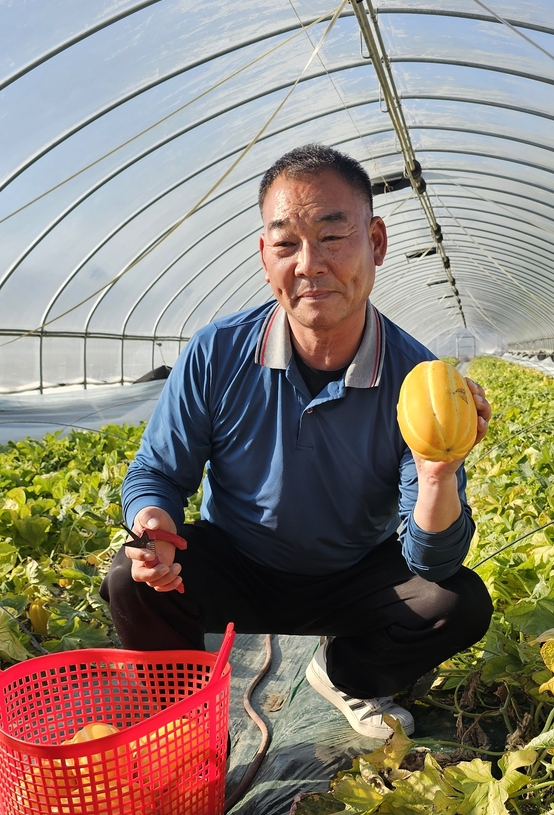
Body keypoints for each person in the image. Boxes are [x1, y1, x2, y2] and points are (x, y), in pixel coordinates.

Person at [102, 144, 493, 740]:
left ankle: (343, 676)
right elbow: (157, 472)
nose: (309, 264)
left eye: (333, 237)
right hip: (239, 565)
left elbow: (431, 561)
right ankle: (185, 721)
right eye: (286, 243)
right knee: (130, 579)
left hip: (353, 575)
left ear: (377, 243)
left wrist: (438, 473)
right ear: (265, 257)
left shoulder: (418, 382)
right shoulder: (218, 352)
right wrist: (151, 519)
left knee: (456, 602)